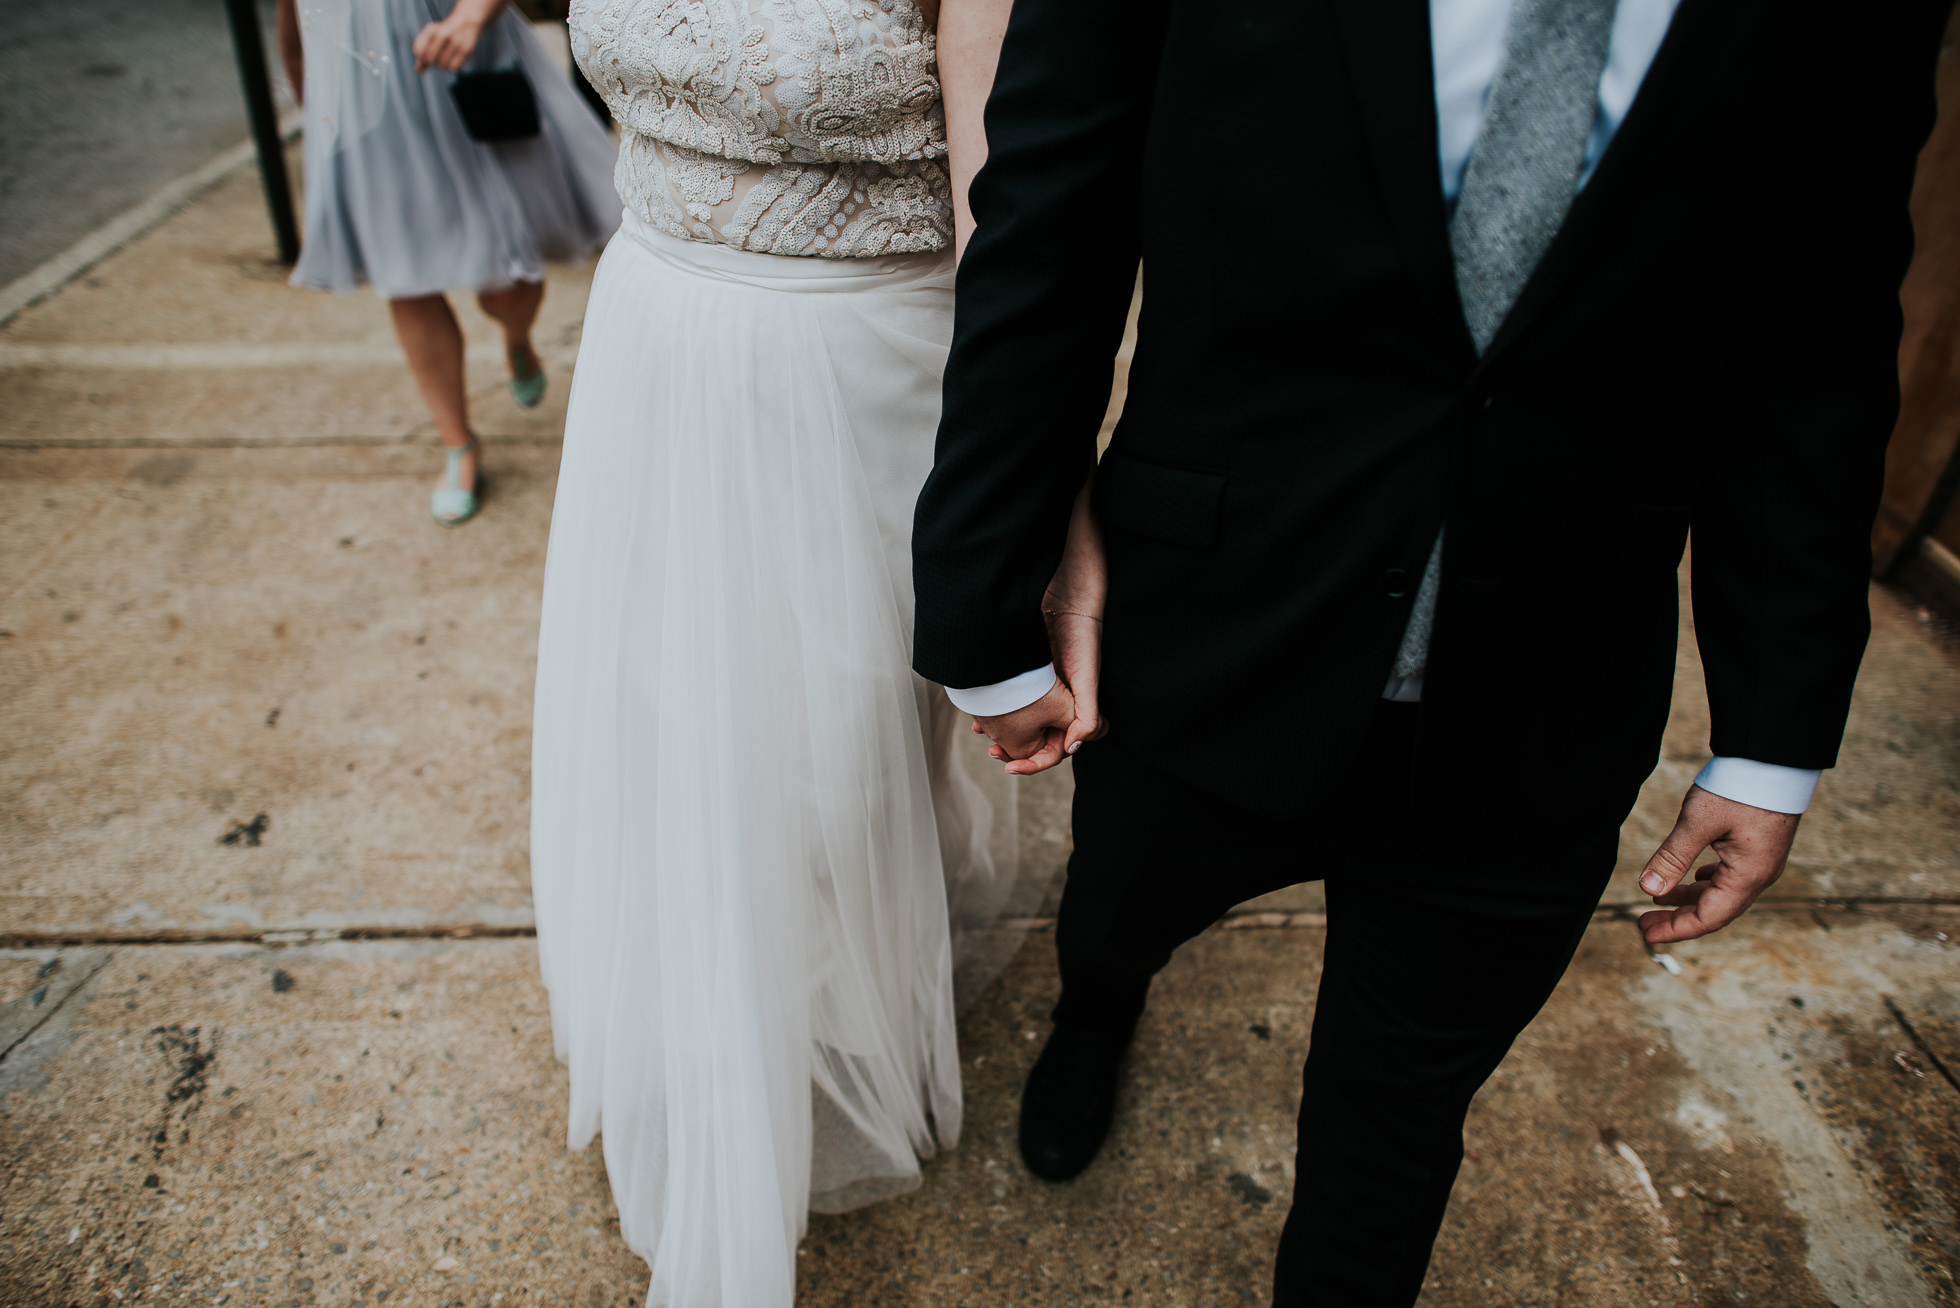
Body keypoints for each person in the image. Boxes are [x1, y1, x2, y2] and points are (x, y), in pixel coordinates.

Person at [911, 0, 1949, 1302]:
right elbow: (1047, 228)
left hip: (1547, 692)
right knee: (1120, 914)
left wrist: (1773, 737)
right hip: (1213, 624)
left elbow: (1821, 343)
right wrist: (984, 607)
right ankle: (1095, 1014)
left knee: (1395, 1133)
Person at [527, 1, 1023, 1303]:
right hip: (651, 338)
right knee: (666, 725)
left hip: (857, 364)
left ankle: (820, 1011)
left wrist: (1024, 476)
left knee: (830, 766)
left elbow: (1004, 195)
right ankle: (711, 1037)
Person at [276, 0, 618, 525]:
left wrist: (473, 15)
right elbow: (294, 24)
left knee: (510, 281)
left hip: (460, 47)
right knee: (405, 276)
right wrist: (316, 105)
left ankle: (517, 338)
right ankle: (458, 445)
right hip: (365, 82)